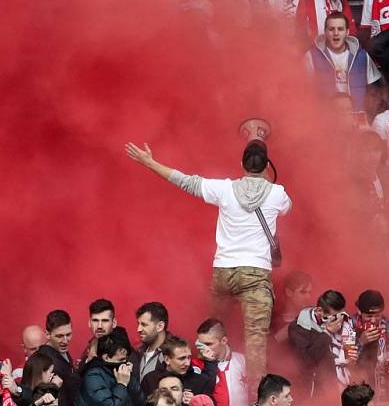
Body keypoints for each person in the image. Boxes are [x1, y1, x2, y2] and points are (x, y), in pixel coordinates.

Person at [125, 139, 291, 384]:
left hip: (224, 270)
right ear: (267, 165)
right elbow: (285, 208)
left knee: (213, 331)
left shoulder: (224, 189)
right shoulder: (278, 194)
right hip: (256, 274)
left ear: (241, 164)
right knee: (255, 337)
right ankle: (257, 400)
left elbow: (185, 181)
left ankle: (207, 385)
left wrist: (150, 162)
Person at [305, 12, 382, 112]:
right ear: (325, 32)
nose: (336, 33)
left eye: (340, 29)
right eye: (331, 29)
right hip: (325, 119)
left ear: (347, 32)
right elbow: (304, 91)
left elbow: (375, 90)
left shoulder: (362, 56)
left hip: (357, 116)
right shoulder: (311, 56)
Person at [289, 289, 357, 395]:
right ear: (319, 311)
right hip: (313, 393)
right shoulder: (299, 327)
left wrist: (351, 360)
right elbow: (305, 361)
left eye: (341, 315)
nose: (338, 321)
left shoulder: (344, 323)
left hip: (339, 390)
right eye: (334, 317)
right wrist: (327, 333)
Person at [352, 290, 389, 399]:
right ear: (359, 311)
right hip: (357, 393)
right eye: (369, 316)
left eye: (377, 315)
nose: (373, 320)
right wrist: (360, 343)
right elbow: (342, 363)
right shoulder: (349, 327)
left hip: (388, 392)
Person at [76, 332, 144, 406]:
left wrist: (130, 379)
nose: (124, 363)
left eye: (126, 360)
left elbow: (140, 403)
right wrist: (122, 385)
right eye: (121, 360)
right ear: (106, 357)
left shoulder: (121, 373)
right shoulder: (93, 377)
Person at [192, 318, 250, 406]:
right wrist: (209, 363)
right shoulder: (197, 365)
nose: (204, 349)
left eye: (208, 344)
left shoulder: (242, 360)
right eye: (201, 344)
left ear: (223, 340)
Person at [140, 336, 216, 399]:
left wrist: (196, 404)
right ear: (167, 359)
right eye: (182, 358)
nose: (187, 363)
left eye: (189, 357)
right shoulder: (150, 380)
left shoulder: (201, 381)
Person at [36, 310, 80, 406]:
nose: (65, 340)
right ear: (47, 334)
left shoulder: (60, 351)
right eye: (59, 336)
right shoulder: (44, 362)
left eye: (68, 334)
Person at [271, 271, 313, 345]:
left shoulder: (313, 318)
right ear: (288, 292)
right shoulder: (272, 320)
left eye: (309, 292)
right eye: (303, 292)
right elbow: (263, 350)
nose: (308, 297)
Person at [135, 303, 169, 382]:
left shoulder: (173, 352)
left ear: (160, 326)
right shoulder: (136, 352)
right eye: (138, 324)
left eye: (144, 324)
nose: (138, 329)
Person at [82, 299, 117, 364]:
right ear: (89, 322)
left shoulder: (124, 352)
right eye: (95, 320)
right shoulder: (90, 347)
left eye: (105, 321)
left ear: (114, 323)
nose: (99, 326)